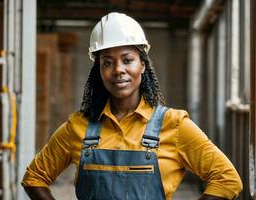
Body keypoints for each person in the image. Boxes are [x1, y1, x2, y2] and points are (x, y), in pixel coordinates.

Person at [22, 12, 242, 200]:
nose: (118, 69)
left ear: (142, 66)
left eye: (127, 60)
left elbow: (227, 179)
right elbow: (34, 178)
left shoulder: (174, 125)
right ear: (99, 71)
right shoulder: (77, 126)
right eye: (107, 62)